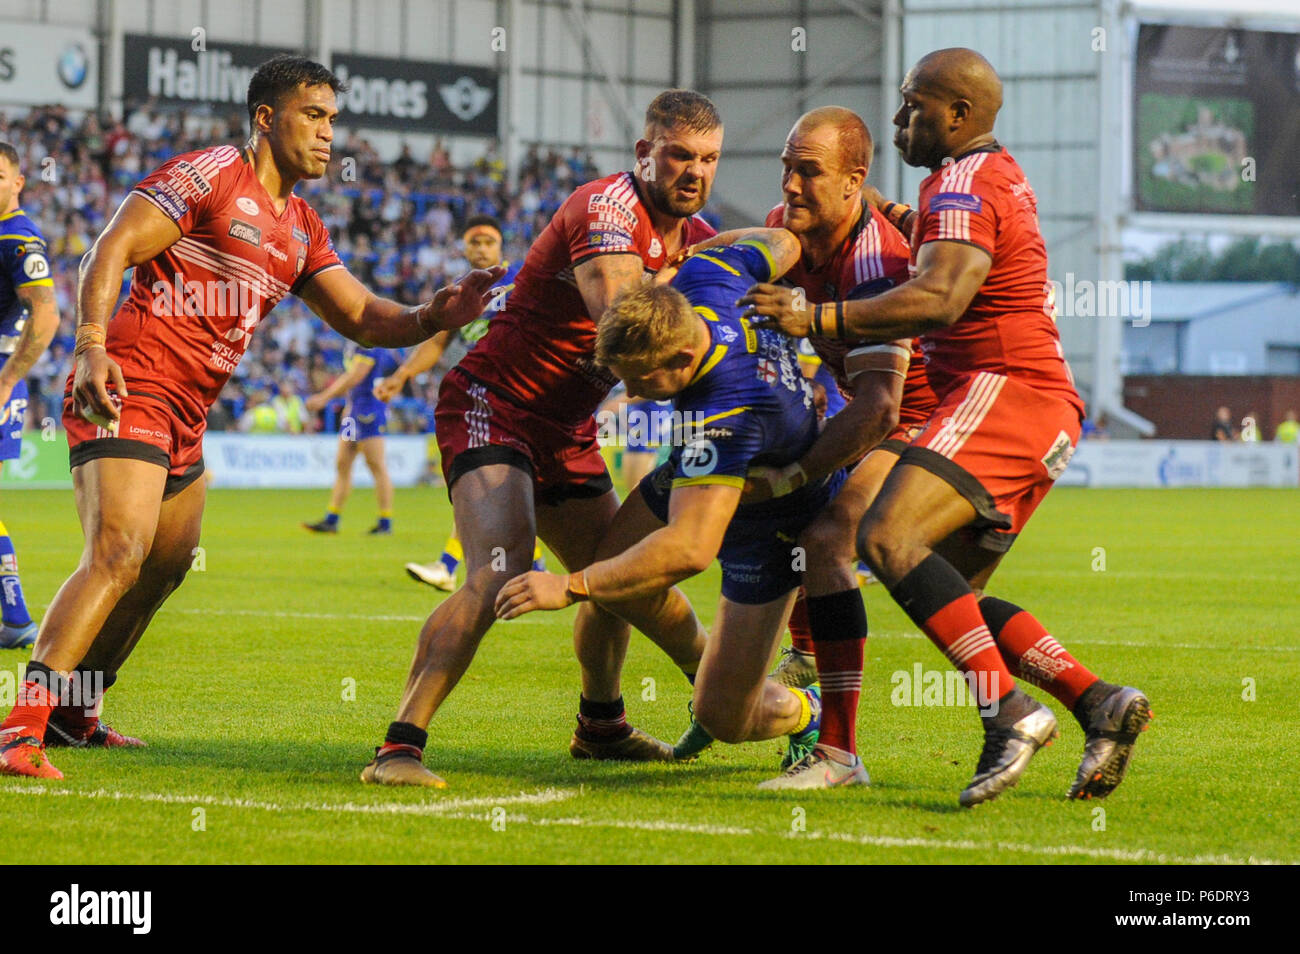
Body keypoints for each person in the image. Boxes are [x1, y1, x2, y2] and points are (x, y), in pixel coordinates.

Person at [0, 55, 503, 779]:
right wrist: (89, 345)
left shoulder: (300, 226)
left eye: (334, 118)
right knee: (119, 552)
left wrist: (431, 314)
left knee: (165, 566)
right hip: (131, 382)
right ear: (267, 118)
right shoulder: (208, 174)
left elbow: (361, 315)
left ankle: (77, 713)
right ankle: (20, 728)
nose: (330, 133)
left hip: (190, 412)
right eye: (314, 115)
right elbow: (111, 247)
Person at [743, 48, 1150, 805]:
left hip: (1004, 390)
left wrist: (813, 315)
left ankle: (1004, 716)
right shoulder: (979, 178)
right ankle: (1098, 701)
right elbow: (957, 256)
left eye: (913, 105)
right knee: (948, 592)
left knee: (880, 539)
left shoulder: (960, 180)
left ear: (958, 116)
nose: (900, 119)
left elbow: (942, 296)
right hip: (1038, 407)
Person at [362, 91, 721, 787]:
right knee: (499, 568)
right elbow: (626, 329)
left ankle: (604, 725)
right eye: (679, 155)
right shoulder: (606, 210)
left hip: (567, 429)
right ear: (645, 153)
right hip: (493, 404)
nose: (693, 172)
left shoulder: (700, 239)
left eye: (708, 159)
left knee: (620, 575)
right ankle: (399, 748)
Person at [496, 232, 836, 783]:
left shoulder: (721, 410)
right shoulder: (708, 274)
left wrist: (570, 585)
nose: (628, 392)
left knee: (723, 714)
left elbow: (688, 549)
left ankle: (807, 710)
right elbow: (785, 240)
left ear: (681, 357)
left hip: (772, 513)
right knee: (615, 575)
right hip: (707, 468)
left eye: (637, 378)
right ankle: (603, 722)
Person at [376, 215, 545, 589]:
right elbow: (436, 344)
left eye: (488, 242)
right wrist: (401, 376)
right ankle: (457, 565)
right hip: (487, 401)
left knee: (503, 482)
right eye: (475, 243)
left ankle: (457, 566)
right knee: (488, 479)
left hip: (529, 396)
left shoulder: (525, 279)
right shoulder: (460, 293)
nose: (482, 249)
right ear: (464, 248)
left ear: (501, 246)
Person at [0, 142, 61, 649]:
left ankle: (17, 617)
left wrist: (5, 381)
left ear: (18, 181)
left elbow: (46, 313)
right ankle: (13, 618)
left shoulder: (18, 239)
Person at [302, 344, 401, 535]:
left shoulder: (369, 343)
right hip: (353, 412)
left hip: (369, 412)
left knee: (376, 465)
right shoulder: (356, 342)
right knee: (342, 463)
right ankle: (332, 519)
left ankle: (385, 521)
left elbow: (356, 376)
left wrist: (324, 397)